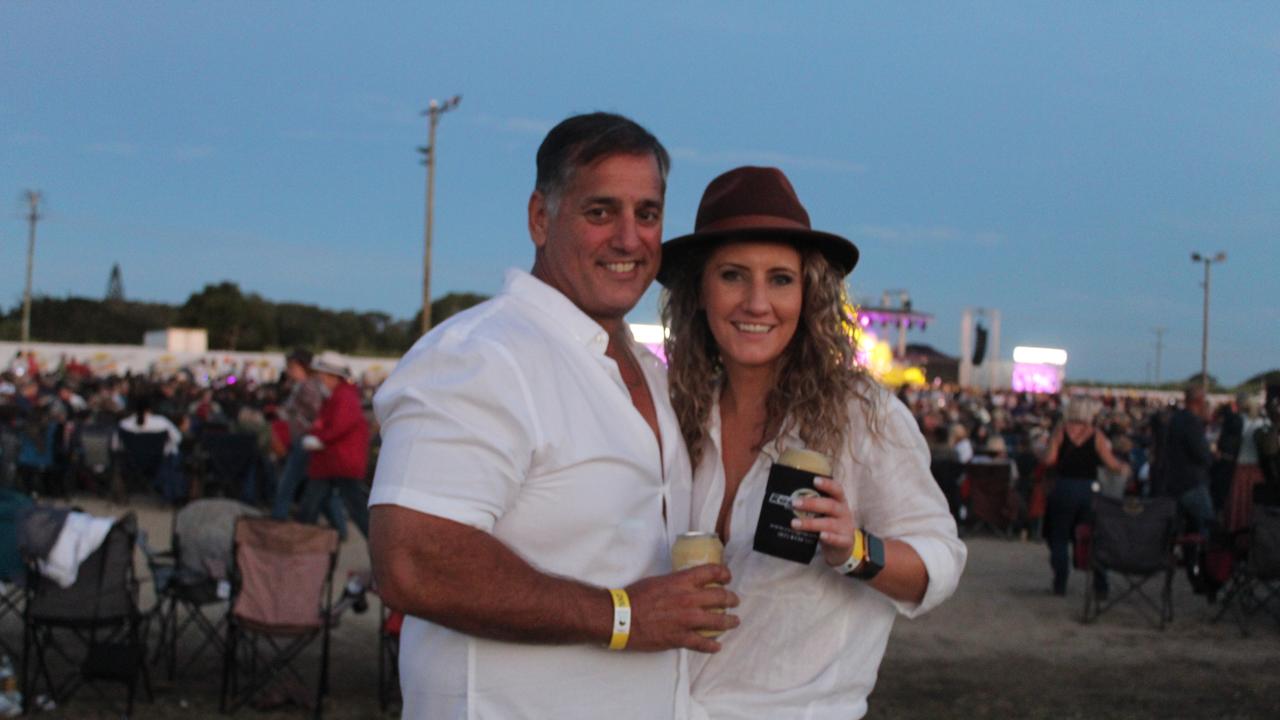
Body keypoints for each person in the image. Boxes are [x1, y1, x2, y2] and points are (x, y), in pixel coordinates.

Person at [368, 112, 738, 719]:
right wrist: (622, 617)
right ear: (541, 218)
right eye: (600, 212)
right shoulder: (481, 356)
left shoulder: (647, 370)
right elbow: (413, 561)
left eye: (647, 214)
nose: (629, 238)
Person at [658, 166, 966, 719]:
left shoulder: (863, 416)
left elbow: (940, 562)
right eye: (732, 275)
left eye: (780, 279)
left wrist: (855, 549)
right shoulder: (675, 410)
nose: (757, 303)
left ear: (810, 294)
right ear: (699, 291)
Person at [1042, 397, 1129, 596]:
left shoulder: (1061, 431)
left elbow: (1049, 460)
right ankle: (1100, 583)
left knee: (1059, 537)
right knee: (1091, 537)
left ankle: (1060, 583)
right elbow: (1112, 464)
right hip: (1088, 490)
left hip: (1063, 488)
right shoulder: (1096, 435)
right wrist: (1125, 468)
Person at [271, 348, 347, 535]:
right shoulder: (309, 385)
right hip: (308, 440)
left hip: (306, 440)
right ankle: (340, 527)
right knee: (319, 487)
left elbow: (318, 413)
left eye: (292, 367)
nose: (289, 370)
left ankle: (279, 518)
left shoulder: (308, 386)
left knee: (291, 482)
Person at [296, 354, 370, 538]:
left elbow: (339, 426)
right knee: (314, 504)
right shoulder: (340, 395)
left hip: (340, 460)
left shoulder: (344, 396)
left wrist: (319, 438)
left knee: (355, 508)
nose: (320, 379)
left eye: (323, 375)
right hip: (334, 461)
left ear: (333, 376)